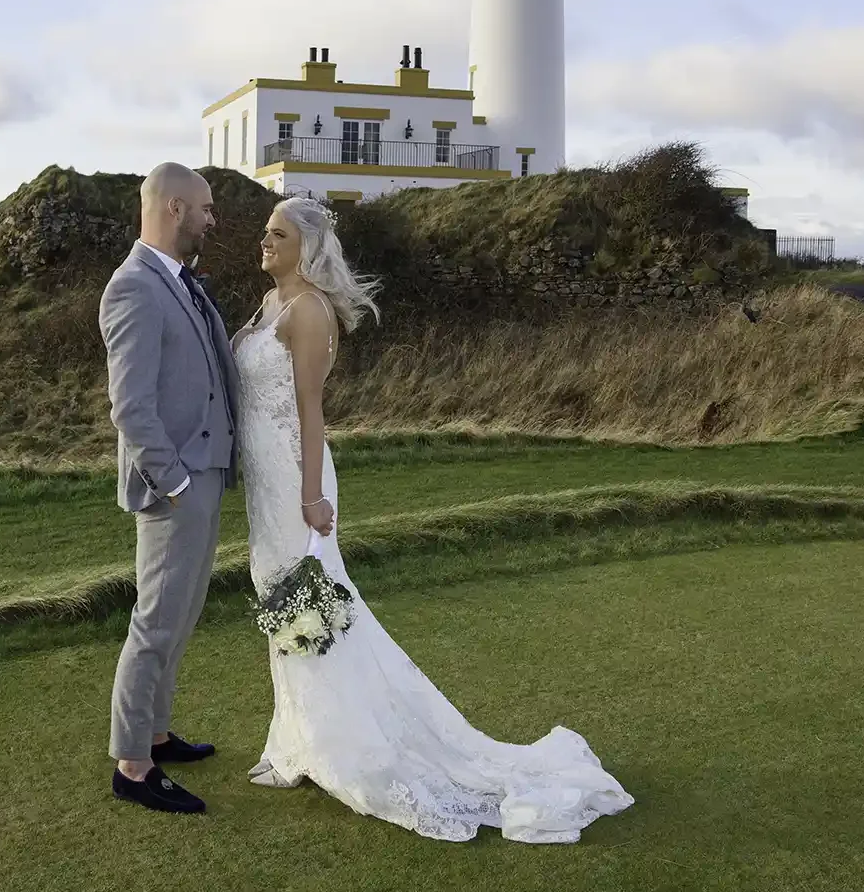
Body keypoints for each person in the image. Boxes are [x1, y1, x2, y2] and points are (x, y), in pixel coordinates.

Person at [231, 197, 634, 843]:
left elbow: (311, 409)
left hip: (293, 480)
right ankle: (295, 740)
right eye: (265, 231)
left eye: (278, 234)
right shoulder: (270, 302)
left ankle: (341, 746)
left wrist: (311, 496)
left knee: (309, 608)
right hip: (264, 483)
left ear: (306, 246)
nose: (265, 241)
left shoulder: (307, 309)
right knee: (283, 607)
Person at [98, 163, 239, 815]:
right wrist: (176, 481)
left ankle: (155, 733)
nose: (213, 219)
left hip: (203, 475)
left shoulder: (177, 281)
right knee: (155, 621)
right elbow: (130, 406)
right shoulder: (133, 286)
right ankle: (133, 764)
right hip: (175, 485)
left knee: (180, 615)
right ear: (175, 208)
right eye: (206, 208)